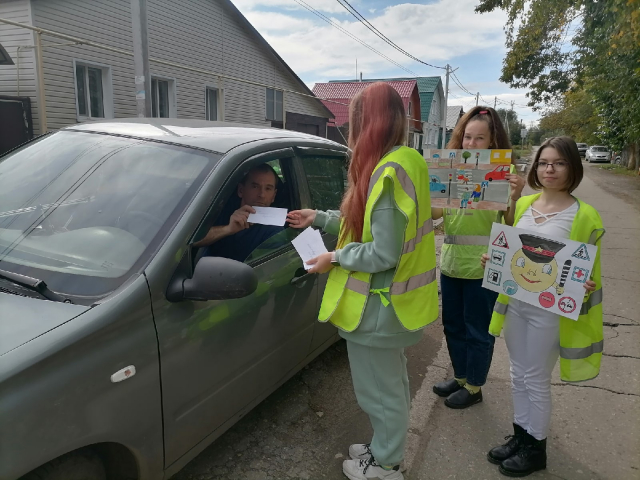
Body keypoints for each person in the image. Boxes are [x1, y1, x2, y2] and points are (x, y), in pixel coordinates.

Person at [287, 82, 438, 480]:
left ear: (365, 123)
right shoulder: (405, 161)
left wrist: (333, 258)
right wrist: (318, 217)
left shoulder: (386, 173)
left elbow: (382, 253)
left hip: (378, 308)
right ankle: (383, 447)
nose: (348, 131)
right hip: (390, 307)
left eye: (352, 121)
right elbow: (368, 229)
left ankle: (386, 464)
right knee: (391, 386)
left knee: (380, 393)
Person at [482, 136, 604, 477]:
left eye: (559, 162)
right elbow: (512, 253)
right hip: (516, 304)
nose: (549, 169)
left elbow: (588, 273)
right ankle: (521, 436)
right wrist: (493, 258)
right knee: (516, 373)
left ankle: (537, 448)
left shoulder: (584, 215)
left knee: (535, 377)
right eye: (544, 162)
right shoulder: (522, 205)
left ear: (572, 167)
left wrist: (586, 284)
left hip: (549, 311)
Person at [431, 106, 526, 408]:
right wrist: (427, 189)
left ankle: (474, 386)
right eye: (466, 137)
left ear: (493, 142)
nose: (471, 145)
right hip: (451, 263)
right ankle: (460, 377)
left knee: (478, 329)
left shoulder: (504, 176)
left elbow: (512, 225)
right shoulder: (451, 171)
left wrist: (516, 196)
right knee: (453, 325)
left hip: (485, 266)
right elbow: (434, 215)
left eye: (479, 139)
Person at [195, 164, 283, 262]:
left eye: (268, 188)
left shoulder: (275, 229)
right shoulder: (220, 208)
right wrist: (228, 229)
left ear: (274, 195)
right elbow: (193, 241)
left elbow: (266, 270)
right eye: (255, 186)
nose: (261, 194)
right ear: (241, 190)